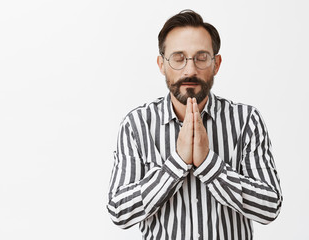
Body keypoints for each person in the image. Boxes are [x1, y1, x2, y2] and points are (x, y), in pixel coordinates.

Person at [107, 9, 282, 240]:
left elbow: (270, 207)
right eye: (178, 58)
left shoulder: (246, 120)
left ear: (216, 64)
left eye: (201, 57)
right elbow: (119, 212)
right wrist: (177, 163)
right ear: (161, 64)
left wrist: (208, 164)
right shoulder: (136, 125)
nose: (190, 70)